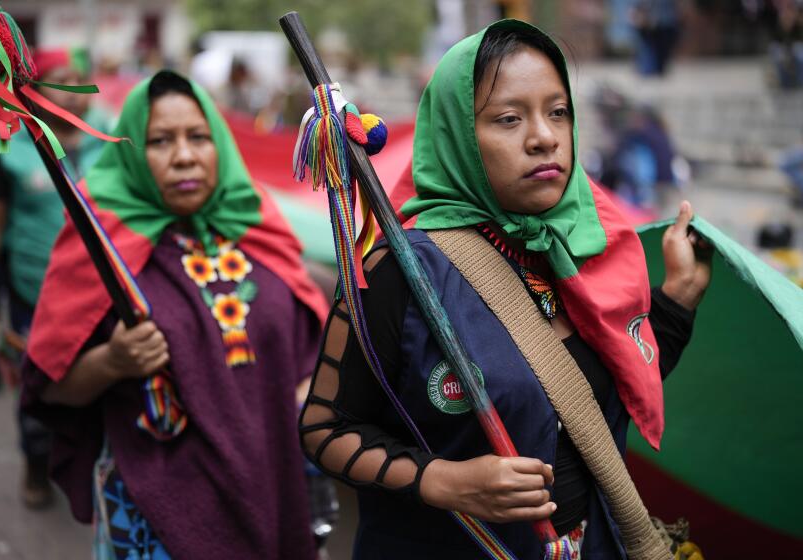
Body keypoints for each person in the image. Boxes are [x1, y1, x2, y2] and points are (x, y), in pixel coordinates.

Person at [300, 20, 712, 558]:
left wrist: (678, 297)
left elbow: (601, 391)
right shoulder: (399, 269)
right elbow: (325, 427)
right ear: (458, 135)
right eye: (509, 118)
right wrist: (443, 480)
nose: (544, 136)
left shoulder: (588, 247)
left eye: (558, 112)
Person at [20, 70, 328, 559]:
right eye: (160, 140)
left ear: (220, 145)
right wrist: (112, 362)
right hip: (157, 516)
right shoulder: (98, 241)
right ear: (129, 151)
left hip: (272, 487)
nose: (184, 156)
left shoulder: (255, 221)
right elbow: (50, 387)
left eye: (199, 137)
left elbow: (309, 356)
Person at [0, 47, 111, 509]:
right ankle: (36, 462)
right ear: (33, 88)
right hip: (36, 296)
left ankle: (98, 469)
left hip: (108, 295)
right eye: (59, 79)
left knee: (106, 385)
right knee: (40, 385)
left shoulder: (111, 137)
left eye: (78, 80)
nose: (73, 92)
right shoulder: (8, 145)